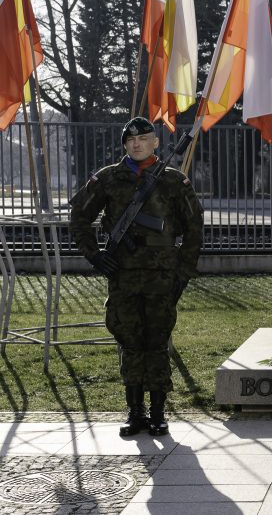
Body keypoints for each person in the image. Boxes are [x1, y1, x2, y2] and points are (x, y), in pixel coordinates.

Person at [69, 117, 203, 437]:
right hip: (123, 274)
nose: (136, 144)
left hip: (162, 276)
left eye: (143, 139)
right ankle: (135, 412)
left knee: (157, 341)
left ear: (155, 142)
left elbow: (195, 230)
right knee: (130, 341)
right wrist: (95, 256)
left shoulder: (173, 181)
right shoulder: (108, 178)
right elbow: (79, 217)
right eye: (130, 141)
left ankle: (158, 412)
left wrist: (182, 274)